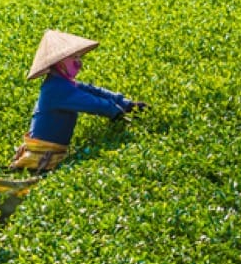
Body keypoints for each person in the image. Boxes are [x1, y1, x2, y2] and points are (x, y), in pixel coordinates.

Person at [11, 30, 147, 172]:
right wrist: (116, 112)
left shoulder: (63, 83)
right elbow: (91, 103)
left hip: (51, 152)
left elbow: (92, 91)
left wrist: (126, 103)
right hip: (41, 157)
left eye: (78, 57)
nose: (79, 62)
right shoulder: (56, 89)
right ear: (59, 62)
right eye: (73, 57)